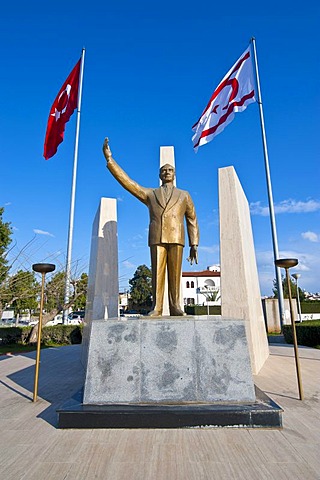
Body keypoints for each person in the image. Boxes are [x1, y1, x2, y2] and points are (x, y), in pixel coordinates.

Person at [103, 138, 199, 317]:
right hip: (157, 237)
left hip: (177, 237)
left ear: (174, 174)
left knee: (175, 274)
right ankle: (157, 307)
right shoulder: (150, 194)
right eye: (164, 171)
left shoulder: (184, 195)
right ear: (160, 175)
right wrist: (110, 160)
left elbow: (192, 219)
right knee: (157, 274)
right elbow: (129, 183)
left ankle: (176, 306)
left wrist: (194, 244)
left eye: (170, 170)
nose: (167, 172)